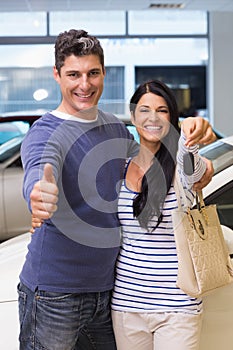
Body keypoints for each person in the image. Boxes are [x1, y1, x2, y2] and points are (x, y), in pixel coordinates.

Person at [18, 29, 215, 350]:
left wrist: (201, 161)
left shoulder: (113, 129)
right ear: (57, 75)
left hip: (108, 293)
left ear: (103, 73)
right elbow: (40, 170)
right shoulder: (44, 132)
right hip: (56, 294)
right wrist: (38, 194)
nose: (85, 84)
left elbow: (163, 167)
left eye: (93, 73)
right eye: (73, 74)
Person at [111, 80, 215, 350]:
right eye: (144, 110)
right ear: (133, 117)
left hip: (178, 308)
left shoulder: (180, 169)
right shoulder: (120, 168)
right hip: (126, 306)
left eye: (163, 110)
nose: (153, 117)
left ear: (172, 117)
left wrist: (193, 131)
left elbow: (195, 166)